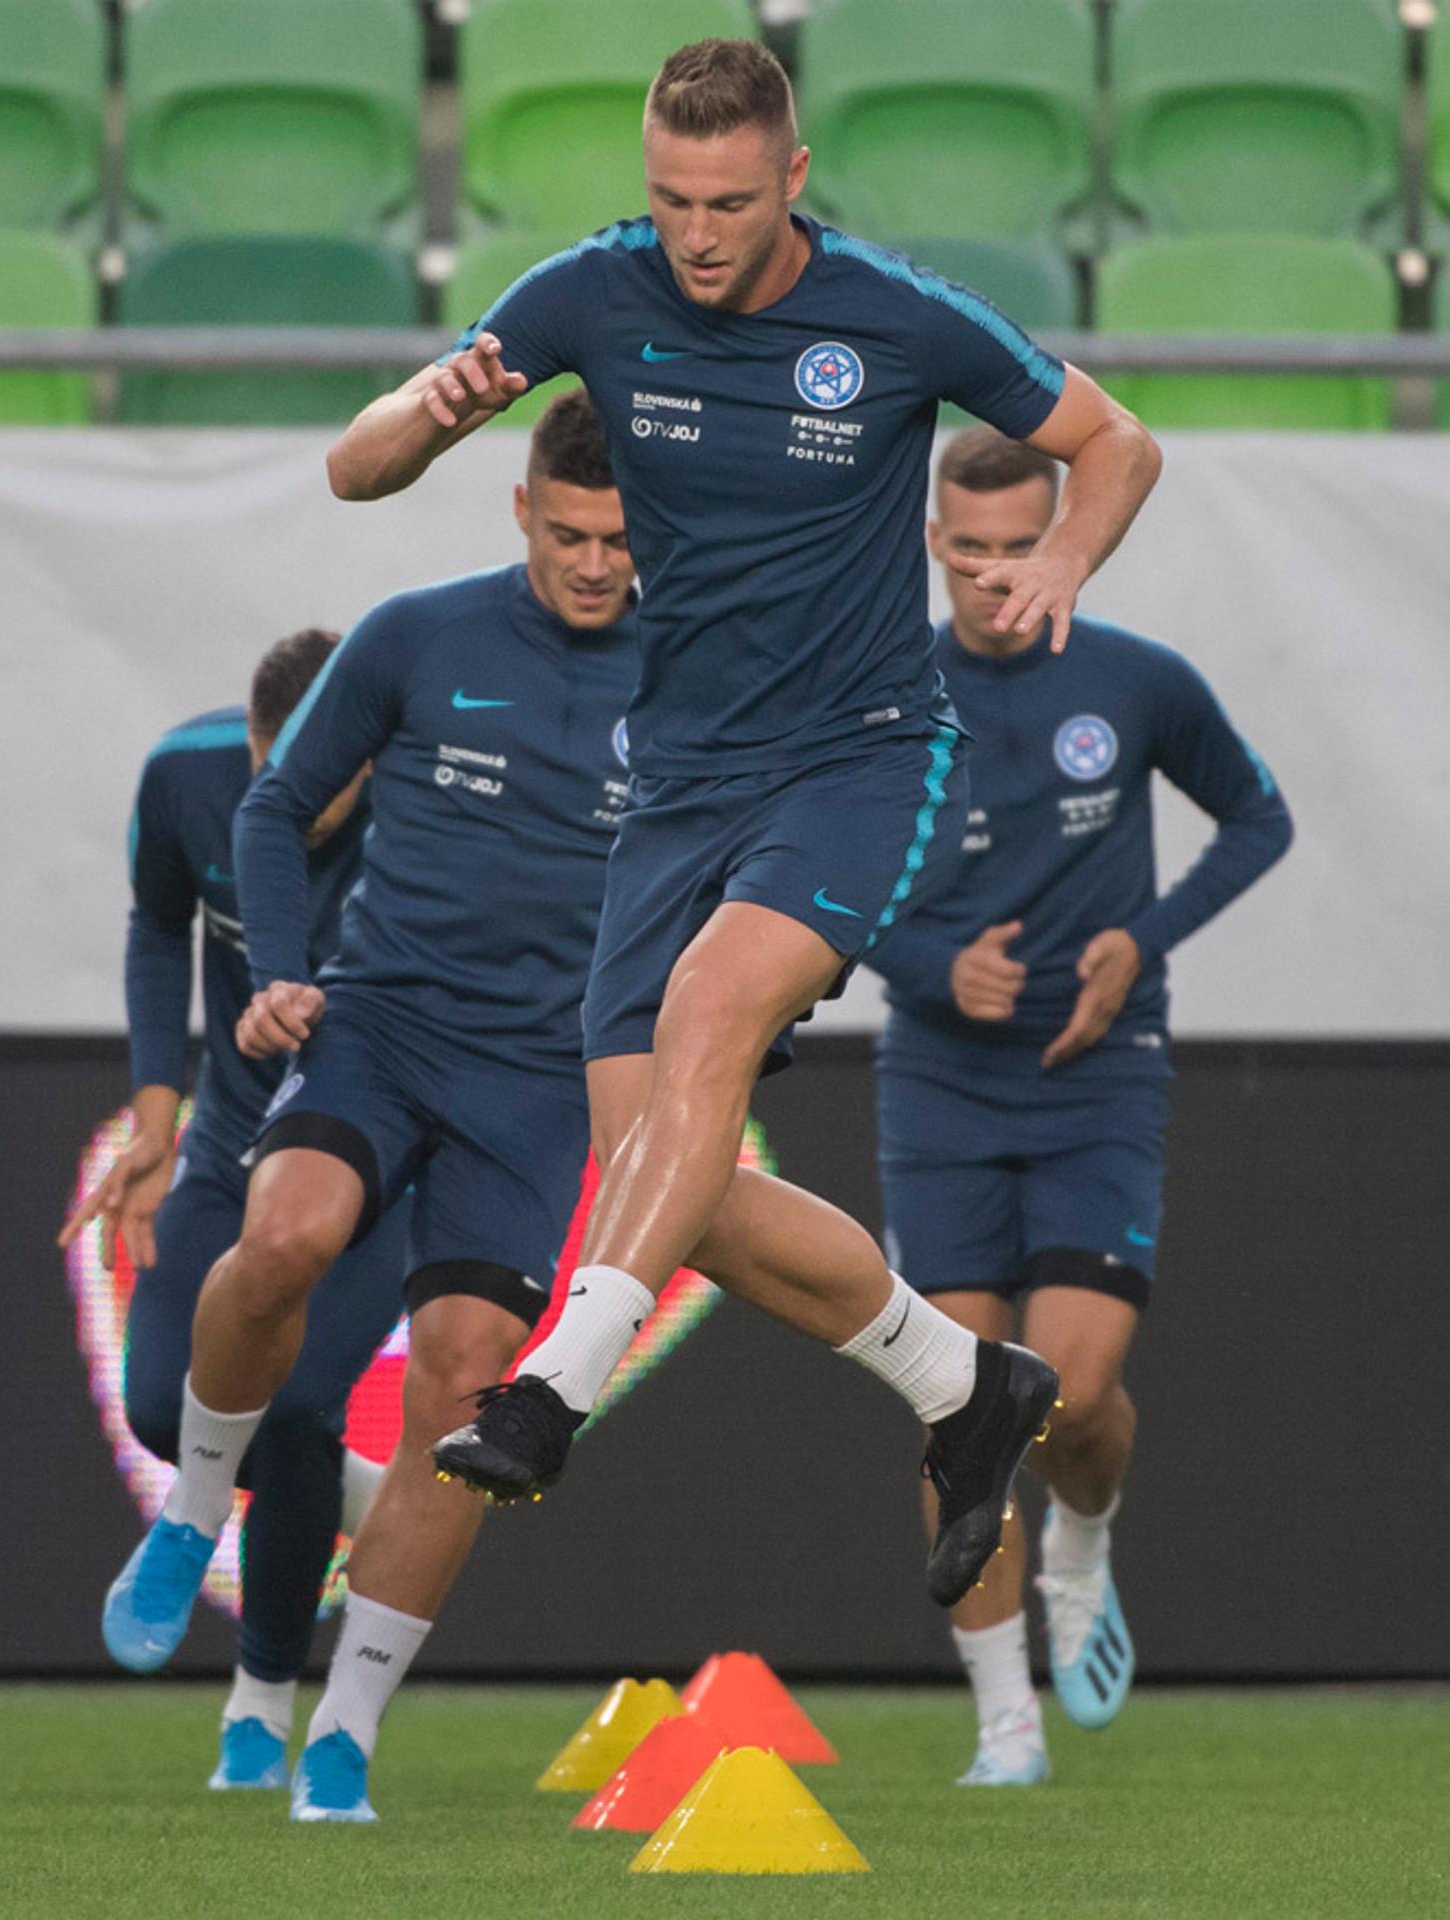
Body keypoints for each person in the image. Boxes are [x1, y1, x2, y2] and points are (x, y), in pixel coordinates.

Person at [327, 38, 1162, 1608]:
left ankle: (552, 1380)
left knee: (708, 1015)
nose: (694, 235)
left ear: (790, 179)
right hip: (681, 781)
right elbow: (351, 469)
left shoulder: (896, 313)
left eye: (724, 201)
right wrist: (421, 414)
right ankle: (959, 1385)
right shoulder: (588, 291)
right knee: (675, 1176)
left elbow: (1116, 443)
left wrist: (1061, 568)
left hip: (859, 759)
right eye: (666, 200)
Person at [99, 391, 642, 1822]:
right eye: (569, 533)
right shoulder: (418, 634)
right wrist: (278, 975)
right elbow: (274, 812)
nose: (594, 564)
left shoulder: (701, 675)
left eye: (620, 539)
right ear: (519, 511)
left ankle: (339, 1732)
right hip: (379, 1025)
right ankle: (194, 1510)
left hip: (535, 1083)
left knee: (463, 1396)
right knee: (280, 1237)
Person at [866, 427, 1294, 1786]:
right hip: (934, 1085)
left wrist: (1139, 942)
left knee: (1071, 1397)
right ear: (931, 540)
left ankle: (1084, 1540)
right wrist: (926, 964)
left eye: (1019, 550)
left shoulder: (1135, 681)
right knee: (958, 1409)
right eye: (968, 551)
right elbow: (794, 875)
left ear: (1069, 539)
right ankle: (1004, 1722)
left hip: (1094, 1079)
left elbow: (1255, 818)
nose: (994, 581)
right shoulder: (876, 693)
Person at [61, 629, 409, 1789]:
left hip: (377, 1157)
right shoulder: (185, 774)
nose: (295, 805)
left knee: (298, 1401)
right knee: (167, 1406)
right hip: (228, 1149)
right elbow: (158, 928)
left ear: (367, 755)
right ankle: (374, 1504)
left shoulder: (436, 801)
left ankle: (259, 1709)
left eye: (322, 783)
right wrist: (155, 1119)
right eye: (276, 775)